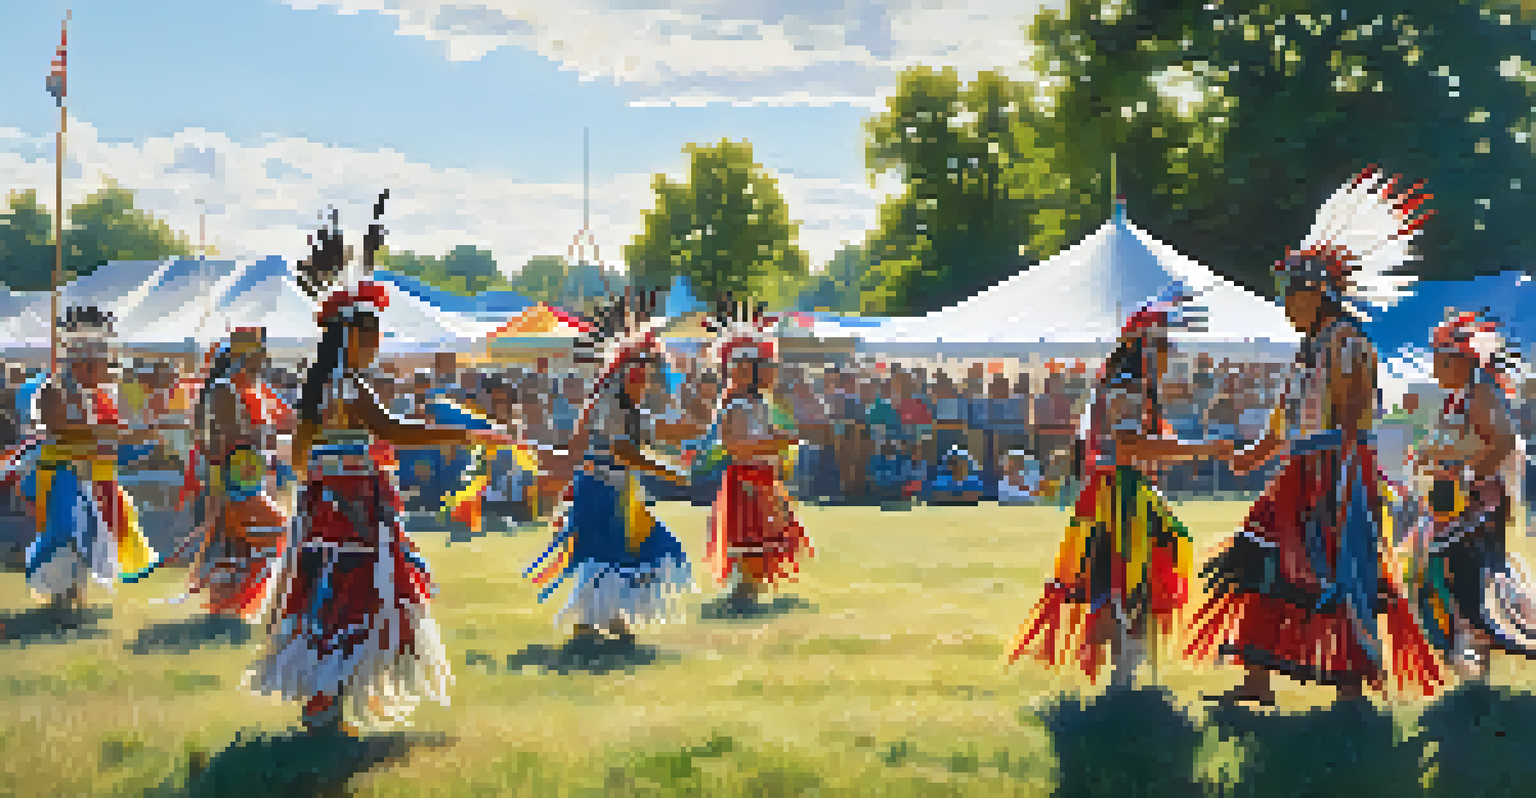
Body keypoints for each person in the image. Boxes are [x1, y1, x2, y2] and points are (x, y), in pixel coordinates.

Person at [248, 201, 513, 734]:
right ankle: (327, 698)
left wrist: (320, 478)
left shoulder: (320, 388)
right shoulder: (350, 386)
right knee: (355, 593)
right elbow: (396, 432)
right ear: (350, 337)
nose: (378, 345)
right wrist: (464, 432)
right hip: (353, 508)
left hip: (326, 507)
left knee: (331, 593)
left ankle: (324, 698)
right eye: (373, 337)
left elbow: (299, 454)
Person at [1187, 166, 1444, 705]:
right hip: (1300, 473)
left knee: (1344, 573)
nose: (1284, 303)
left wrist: (1344, 486)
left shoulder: (1349, 342)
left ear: (1319, 292)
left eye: (1292, 293)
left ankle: (1350, 691)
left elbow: (1355, 423)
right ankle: (1257, 681)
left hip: (1338, 476)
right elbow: (1287, 418)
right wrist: (1254, 456)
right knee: (1259, 560)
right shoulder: (1309, 347)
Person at [1008, 283, 1232, 687]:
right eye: (1165, 348)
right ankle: (1123, 676)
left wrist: (1201, 450)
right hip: (1118, 496)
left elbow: (1126, 443)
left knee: (1129, 576)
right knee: (1125, 580)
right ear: (1146, 347)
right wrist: (1206, 450)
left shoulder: (1122, 383)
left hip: (1115, 492)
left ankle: (1126, 674)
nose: (1170, 358)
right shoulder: (1128, 385)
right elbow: (1130, 447)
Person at [526, 292, 694, 644]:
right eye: (647, 373)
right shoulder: (611, 401)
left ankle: (610, 617)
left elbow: (650, 435)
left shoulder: (625, 405)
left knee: (636, 552)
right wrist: (669, 471)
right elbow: (622, 452)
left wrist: (697, 433)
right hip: (600, 492)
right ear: (631, 371)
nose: (650, 381)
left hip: (617, 494)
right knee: (603, 559)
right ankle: (589, 625)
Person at [1405, 310, 1536, 682]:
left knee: (1464, 580)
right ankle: (1475, 672)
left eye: (1438, 356)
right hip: (1462, 503)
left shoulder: (1478, 392)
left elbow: (1504, 441)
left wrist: (1464, 476)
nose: (1433, 364)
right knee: (1457, 580)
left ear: (1458, 360)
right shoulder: (1462, 395)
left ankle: (1477, 668)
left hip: (1476, 504)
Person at [14, 307, 161, 612]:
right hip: (65, 476)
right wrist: (113, 432)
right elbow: (61, 428)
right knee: (66, 532)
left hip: (97, 477)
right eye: (98, 361)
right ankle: (61, 597)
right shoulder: (53, 389)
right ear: (80, 361)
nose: (105, 368)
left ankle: (75, 594)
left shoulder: (100, 395)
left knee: (95, 534)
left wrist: (139, 435)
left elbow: (111, 436)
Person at [176, 327, 296, 620]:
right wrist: (264, 438)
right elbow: (229, 439)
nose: (263, 365)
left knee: (239, 544)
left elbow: (285, 420)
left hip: (249, 474)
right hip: (233, 477)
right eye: (259, 359)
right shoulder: (224, 390)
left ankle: (230, 609)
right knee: (274, 533)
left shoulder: (251, 390)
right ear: (243, 359)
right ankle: (229, 605)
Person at [704, 300, 812, 609]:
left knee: (765, 536)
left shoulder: (757, 404)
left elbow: (761, 437)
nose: (772, 373)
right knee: (750, 537)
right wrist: (777, 443)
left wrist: (781, 440)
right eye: (767, 366)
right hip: (747, 478)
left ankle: (749, 590)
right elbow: (736, 447)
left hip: (762, 476)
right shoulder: (736, 405)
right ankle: (743, 592)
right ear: (746, 370)